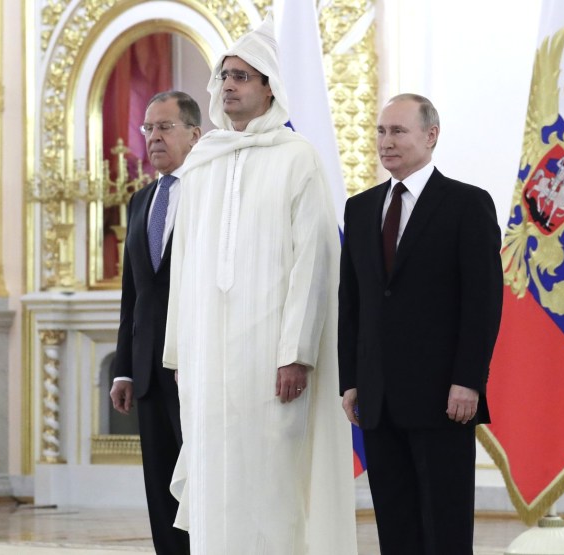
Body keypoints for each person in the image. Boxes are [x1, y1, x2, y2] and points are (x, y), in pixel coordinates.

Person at [162, 16, 358, 555]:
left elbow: (314, 262)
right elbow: (185, 264)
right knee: (213, 474)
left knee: (272, 477)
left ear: (269, 85)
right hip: (207, 359)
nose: (229, 85)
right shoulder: (201, 163)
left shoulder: (298, 159)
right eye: (225, 75)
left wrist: (296, 352)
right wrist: (179, 353)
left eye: (243, 76)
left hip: (271, 356)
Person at [338, 93, 503, 554]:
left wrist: (468, 381)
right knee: (396, 526)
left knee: (444, 526)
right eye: (380, 131)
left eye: (398, 131)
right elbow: (351, 302)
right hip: (378, 398)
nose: (385, 142)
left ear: (431, 137)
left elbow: (483, 301)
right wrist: (350, 381)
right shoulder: (361, 207)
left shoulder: (466, 205)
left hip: (443, 398)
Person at [110, 90, 201, 555]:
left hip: (196, 364)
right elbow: (134, 294)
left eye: (165, 127)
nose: (154, 137)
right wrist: (123, 367)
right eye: (148, 128)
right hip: (147, 370)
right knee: (161, 485)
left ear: (194, 133)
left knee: (199, 484)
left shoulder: (210, 194)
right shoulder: (142, 200)